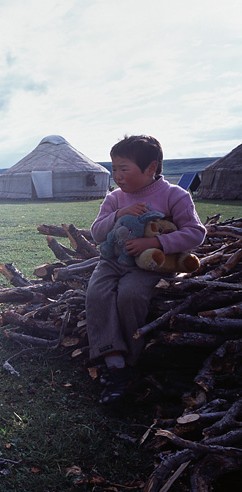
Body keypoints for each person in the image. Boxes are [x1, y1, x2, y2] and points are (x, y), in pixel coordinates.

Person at [86, 135, 206, 405]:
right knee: (97, 292)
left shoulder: (175, 195)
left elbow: (196, 233)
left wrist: (155, 241)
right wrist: (118, 214)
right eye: (114, 168)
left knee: (130, 296)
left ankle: (131, 362)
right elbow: (96, 233)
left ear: (151, 168)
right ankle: (113, 361)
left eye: (123, 168)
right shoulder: (115, 198)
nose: (117, 175)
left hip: (151, 266)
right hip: (112, 262)